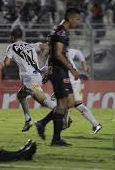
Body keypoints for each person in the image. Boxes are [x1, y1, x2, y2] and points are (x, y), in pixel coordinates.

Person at [35, 48, 102, 140]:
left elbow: (51, 70)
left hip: (70, 82)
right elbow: (49, 69)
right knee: (75, 105)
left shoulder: (57, 55)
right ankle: (95, 124)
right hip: (69, 82)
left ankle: (59, 124)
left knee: (63, 104)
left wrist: (42, 74)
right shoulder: (59, 54)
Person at [4, 26, 57, 132]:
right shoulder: (30, 45)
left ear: (12, 37)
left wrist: (7, 59)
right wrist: (41, 58)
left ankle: (62, 111)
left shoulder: (11, 47)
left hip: (29, 79)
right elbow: (46, 46)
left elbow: (7, 63)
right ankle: (28, 120)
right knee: (20, 95)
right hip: (35, 77)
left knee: (43, 101)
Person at [41, 8, 81, 147]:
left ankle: (43, 123)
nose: (78, 22)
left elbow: (49, 50)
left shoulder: (56, 30)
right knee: (63, 104)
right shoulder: (61, 32)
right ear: (70, 18)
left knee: (67, 103)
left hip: (57, 70)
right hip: (59, 71)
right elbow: (58, 53)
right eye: (77, 19)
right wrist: (72, 69)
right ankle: (55, 139)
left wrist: (48, 68)